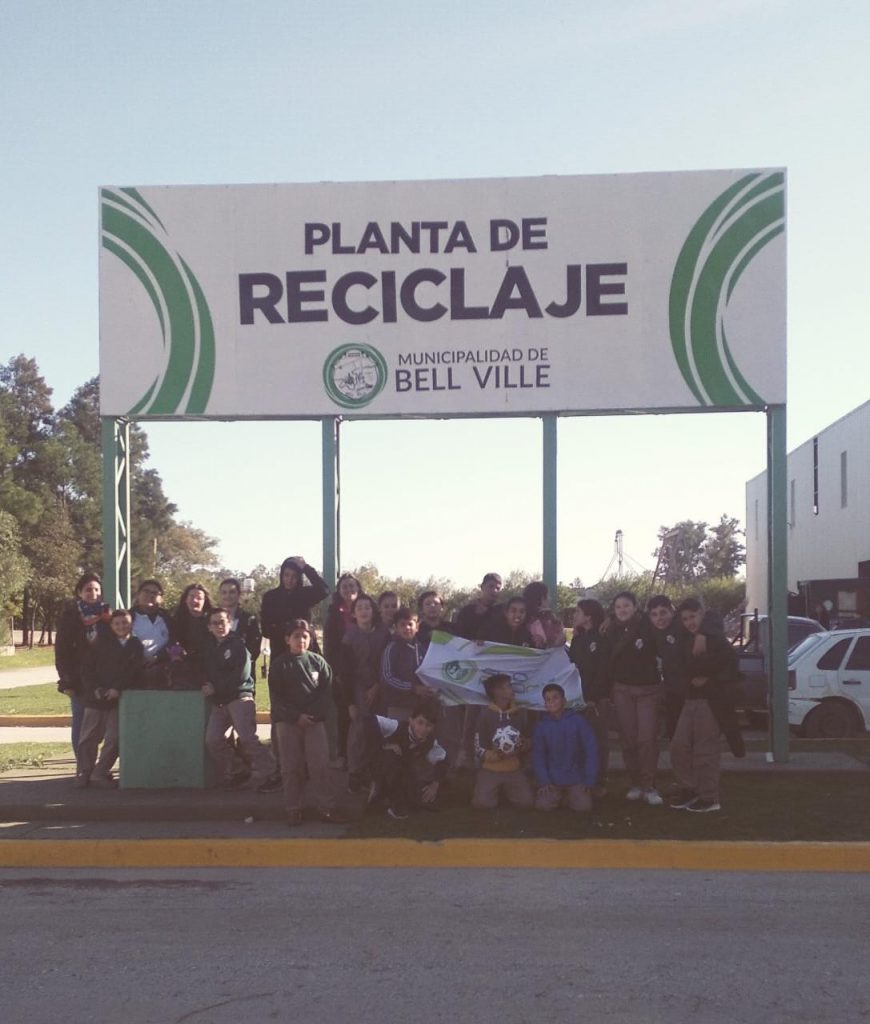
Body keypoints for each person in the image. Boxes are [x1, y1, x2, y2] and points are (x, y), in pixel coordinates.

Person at [268, 619, 345, 827]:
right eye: (295, 636)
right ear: (287, 639)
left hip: (314, 722)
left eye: (305, 636)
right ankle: (293, 808)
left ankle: (326, 807)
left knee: (319, 765)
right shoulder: (279, 664)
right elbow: (276, 698)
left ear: (310, 639)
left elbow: (326, 692)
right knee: (291, 766)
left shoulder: (318, 662)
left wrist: (311, 715)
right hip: (288, 723)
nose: (300, 640)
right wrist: (295, 717)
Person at [669, 598, 739, 813]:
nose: (690, 622)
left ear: (702, 614)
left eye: (693, 617)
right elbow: (682, 667)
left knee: (705, 750)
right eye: (685, 618)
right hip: (690, 699)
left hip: (711, 700)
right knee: (679, 746)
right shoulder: (684, 640)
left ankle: (709, 797)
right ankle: (689, 789)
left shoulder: (717, 640)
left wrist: (706, 674)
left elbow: (726, 666)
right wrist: (695, 672)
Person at [202, 608, 275, 790]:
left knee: (248, 739)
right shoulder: (209, 647)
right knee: (213, 740)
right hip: (219, 701)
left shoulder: (238, 646)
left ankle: (270, 773)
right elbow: (205, 671)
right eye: (215, 623)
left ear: (229, 624)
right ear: (209, 627)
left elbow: (241, 676)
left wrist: (216, 688)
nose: (219, 626)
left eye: (223, 622)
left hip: (239, 697)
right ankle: (238, 769)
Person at [602, 590, 663, 805]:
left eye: (626, 605)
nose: (622, 610)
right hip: (622, 690)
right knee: (628, 739)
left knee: (646, 739)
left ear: (636, 606)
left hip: (648, 690)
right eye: (618, 607)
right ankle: (635, 783)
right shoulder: (610, 629)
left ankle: (649, 785)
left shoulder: (648, 624)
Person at [75, 609, 144, 789]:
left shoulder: (136, 645)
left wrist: (117, 689)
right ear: (111, 626)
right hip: (96, 697)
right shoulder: (100, 644)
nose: (121, 626)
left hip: (117, 699)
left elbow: (133, 672)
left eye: (125, 623)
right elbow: (87, 669)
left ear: (131, 624)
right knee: (89, 737)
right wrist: (96, 689)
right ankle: (84, 771)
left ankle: (100, 772)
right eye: (117, 623)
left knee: (114, 738)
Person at [55, 572, 110, 757]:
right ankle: (82, 766)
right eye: (88, 589)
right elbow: (61, 651)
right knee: (81, 722)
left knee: (104, 724)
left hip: (103, 677)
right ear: (79, 592)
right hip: (78, 678)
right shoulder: (71, 616)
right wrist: (66, 680)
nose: (92, 593)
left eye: (96, 589)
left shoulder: (107, 615)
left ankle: (99, 766)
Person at [341, 594, 390, 792]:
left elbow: (386, 662)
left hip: (381, 686)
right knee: (359, 730)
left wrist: (377, 685)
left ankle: (376, 772)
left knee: (380, 728)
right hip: (358, 688)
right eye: (359, 608)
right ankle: (355, 773)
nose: (363, 611)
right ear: (354, 613)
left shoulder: (383, 634)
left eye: (367, 608)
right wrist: (351, 702)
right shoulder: (349, 637)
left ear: (373, 611)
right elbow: (345, 671)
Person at [372, 700, 448, 819]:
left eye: (428, 725)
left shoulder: (430, 742)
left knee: (427, 800)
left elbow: (443, 761)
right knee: (391, 756)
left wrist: (435, 784)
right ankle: (379, 794)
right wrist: (384, 744)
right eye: (420, 723)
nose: (423, 728)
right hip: (379, 767)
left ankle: (397, 799)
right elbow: (368, 721)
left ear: (433, 728)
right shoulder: (395, 726)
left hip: (404, 773)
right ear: (411, 720)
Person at [532, 683, 598, 813]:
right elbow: (538, 755)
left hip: (576, 778)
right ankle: (562, 796)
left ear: (564, 700)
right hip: (552, 780)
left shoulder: (579, 721)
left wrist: (589, 778)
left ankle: (570, 796)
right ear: (545, 704)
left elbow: (591, 750)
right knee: (543, 806)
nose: (552, 702)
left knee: (584, 807)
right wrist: (543, 780)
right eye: (548, 699)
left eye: (555, 697)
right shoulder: (541, 726)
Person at [472, 674, 533, 810]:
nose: (512, 690)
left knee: (526, 803)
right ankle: (493, 789)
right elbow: (478, 749)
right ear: (497, 691)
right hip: (491, 769)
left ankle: (507, 790)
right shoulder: (485, 716)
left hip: (513, 769)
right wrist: (497, 755)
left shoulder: (519, 714)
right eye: (508, 686)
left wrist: (523, 746)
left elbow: (528, 741)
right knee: (482, 804)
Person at [568, 598, 610, 796]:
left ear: (588, 616)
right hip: (577, 699)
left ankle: (599, 782)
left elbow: (603, 671)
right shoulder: (578, 638)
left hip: (595, 700)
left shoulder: (601, 638)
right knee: (579, 740)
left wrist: (593, 697)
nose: (574, 615)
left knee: (598, 741)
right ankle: (581, 779)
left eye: (578, 611)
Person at [324, 572, 362, 769]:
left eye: (352, 585)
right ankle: (343, 754)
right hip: (342, 671)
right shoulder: (334, 614)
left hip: (364, 671)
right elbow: (330, 646)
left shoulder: (366, 608)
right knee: (344, 714)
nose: (349, 589)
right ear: (339, 591)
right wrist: (335, 671)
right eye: (344, 586)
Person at [260, 556, 329, 660]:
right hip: (281, 652)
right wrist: (289, 632)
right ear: (282, 575)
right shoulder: (270, 597)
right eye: (286, 575)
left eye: (294, 576)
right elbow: (266, 630)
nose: (289, 580)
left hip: (305, 650)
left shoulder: (304, 594)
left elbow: (324, 590)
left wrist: (306, 568)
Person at [380, 607, 432, 720]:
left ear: (417, 627)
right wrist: (413, 688)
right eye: (402, 625)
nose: (407, 628)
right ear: (396, 628)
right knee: (398, 735)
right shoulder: (392, 648)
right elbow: (387, 677)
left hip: (420, 706)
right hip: (398, 704)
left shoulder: (422, 649)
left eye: (410, 624)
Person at [130, 579, 173, 687]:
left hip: (162, 670)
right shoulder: (128, 617)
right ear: (138, 594)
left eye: (155, 593)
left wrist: (157, 657)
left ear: (161, 598)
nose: (150, 595)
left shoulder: (167, 618)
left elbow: (174, 641)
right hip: (133, 671)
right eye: (146, 591)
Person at [170, 583, 213, 689]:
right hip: (184, 667)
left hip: (208, 667)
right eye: (192, 596)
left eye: (199, 598)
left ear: (205, 601)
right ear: (185, 599)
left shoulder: (212, 620)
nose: (195, 601)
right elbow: (173, 642)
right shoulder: (176, 620)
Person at [218, 577, 262, 672]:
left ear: (239, 594)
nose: (228, 596)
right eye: (224, 592)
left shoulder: (249, 620)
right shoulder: (213, 619)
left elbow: (254, 649)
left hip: (243, 675)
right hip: (218, 674)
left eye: (232, 592)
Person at [454, 572, 503, 640]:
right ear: (482, 587)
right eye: (491, 586)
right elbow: (458, 635)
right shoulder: (467, 611)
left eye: (498, 588)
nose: (494, 590)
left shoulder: (501, 612)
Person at [522, 581, 565, 648]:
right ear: (542, 598)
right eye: (548, 595)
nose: (550, 599)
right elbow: (557, 641)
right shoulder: (548, 618)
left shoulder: (523, 617)